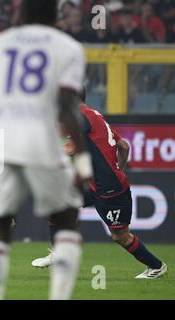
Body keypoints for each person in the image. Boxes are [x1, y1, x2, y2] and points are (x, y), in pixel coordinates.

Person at [0, 0, 91, 300]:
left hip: (2, 143)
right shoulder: (68, 47)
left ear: (21, 14)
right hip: (41, 140)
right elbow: (68, 108)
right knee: (68, 217)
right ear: (54, 15)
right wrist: (82, 162)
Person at [31, 90, 167, 279]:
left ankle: (156, 266)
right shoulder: (95, 115)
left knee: (121, 236)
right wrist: (118, 167)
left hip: (110, 188)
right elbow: (124, 146)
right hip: (100, 184)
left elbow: (70, 148)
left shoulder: (79, 116)